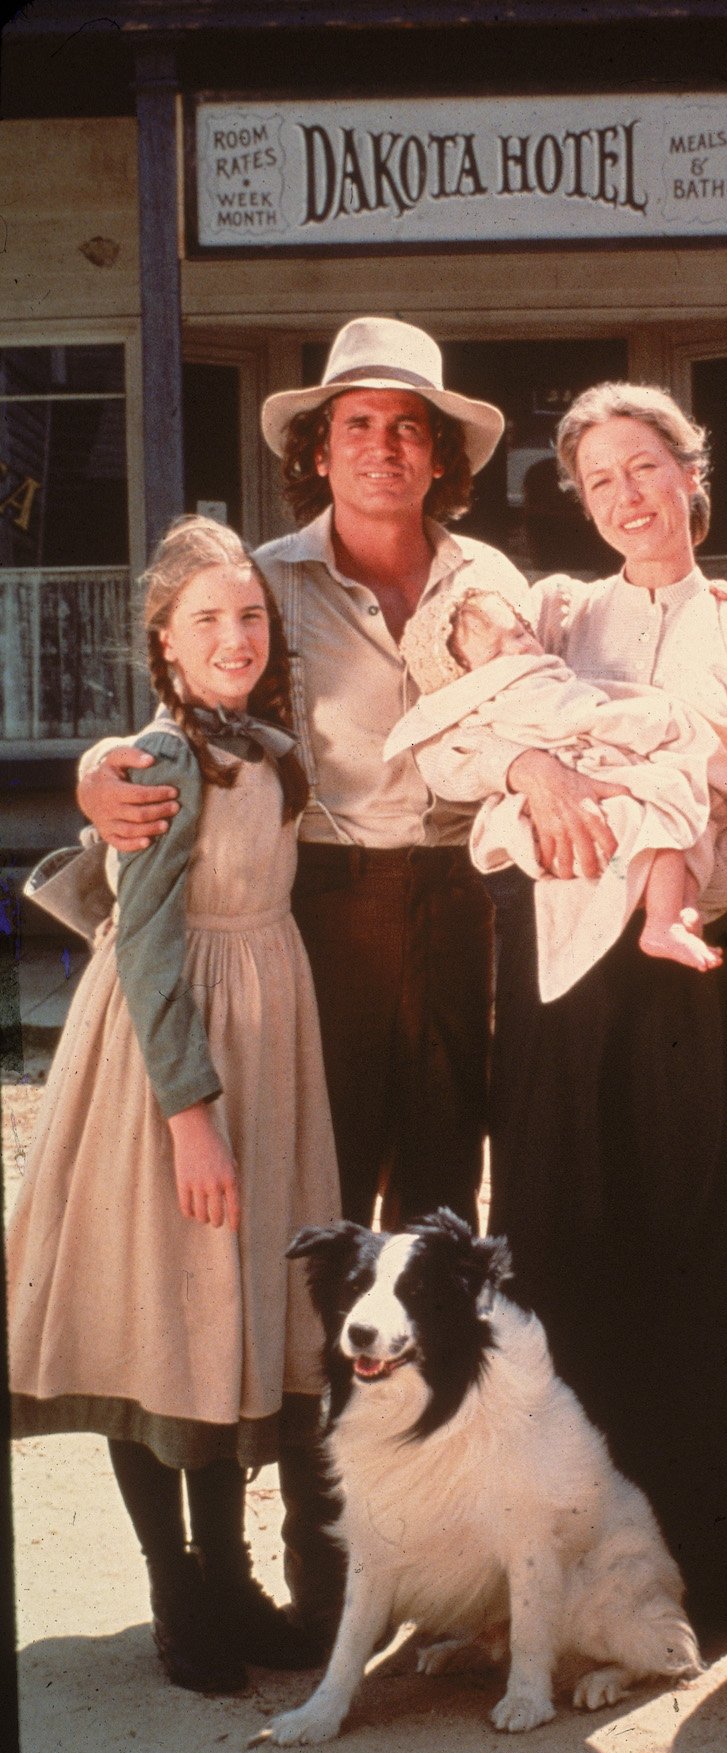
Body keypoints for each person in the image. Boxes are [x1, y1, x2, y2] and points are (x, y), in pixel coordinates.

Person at [75, 319, 528, 1640]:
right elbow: (186, 733)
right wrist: (98, 770)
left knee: (433, 1225)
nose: (383, 447)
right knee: (319, 1235)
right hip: (319, 908)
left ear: (439, 454)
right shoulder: (262, 585)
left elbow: (559, 710)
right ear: (317, 452)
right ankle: (319, 1568)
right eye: (357, 425)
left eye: (408, 427)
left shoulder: (492, 577)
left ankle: (417, 1548)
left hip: (461, 901)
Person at [432, 381, 727, 1639]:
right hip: (565, 969)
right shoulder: (555, 615)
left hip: (695, 959)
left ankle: (725, 1552)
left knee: (715, 1236)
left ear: (689, 469)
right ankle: (572, 1562)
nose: (625, 494)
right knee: (567, 1236)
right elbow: (463, 746)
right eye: (599, 478)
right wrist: (535, 770)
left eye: (643, 466)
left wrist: (676, 873)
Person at [7, 517, 340, 1694]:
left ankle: (230, 1574)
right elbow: (145, 939)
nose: (234, 635)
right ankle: (176, 1589)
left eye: (249, 615)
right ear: (164, 639)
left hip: (262, 1035)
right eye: (206, 619)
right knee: (162, 1314)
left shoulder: (264, 745)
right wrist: (190, 1113)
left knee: (225, 1316)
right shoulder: (160, 758)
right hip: (168, 1054)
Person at [383, 584, 727, 997]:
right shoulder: (560, 609)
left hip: (704, 921)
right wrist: (526, 767)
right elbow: (442, 746)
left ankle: (670, 914)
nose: (517, 650)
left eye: (519, 636)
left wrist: (689, 877)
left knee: (667, 799)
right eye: (499, 651)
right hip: (564, 897)